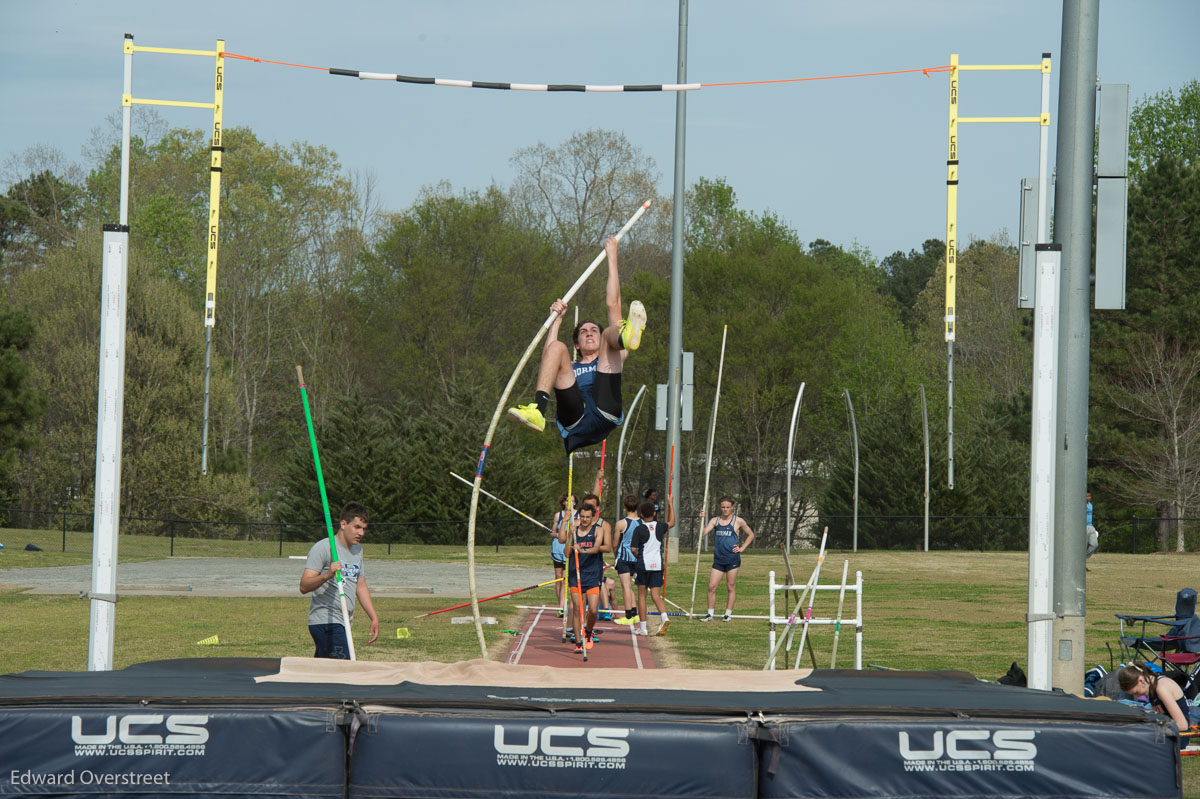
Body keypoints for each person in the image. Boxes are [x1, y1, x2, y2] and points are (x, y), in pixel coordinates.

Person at [507, 236, 647, 453]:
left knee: (613, 332)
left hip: (605, 410)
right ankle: (537, 411)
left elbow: (613, 304)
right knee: (556, 348)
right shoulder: (571, 366)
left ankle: (625, 338)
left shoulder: (609, 354)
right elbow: (549, 356)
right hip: (575, 416)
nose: (589, 334)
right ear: (578, 345)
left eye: (593, 331)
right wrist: (556, 320)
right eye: (583, 332)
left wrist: (612, 257)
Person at [299, 502, 380, 658]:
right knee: (344, 669)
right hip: (325, 620)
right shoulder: (323, 547)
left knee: (325, 673)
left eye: (364, 529)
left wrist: (374, 617)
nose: (361, 533)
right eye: (357, 527)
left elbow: (360, 586)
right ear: (343, 524)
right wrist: (327, 575)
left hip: (344, 622)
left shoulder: (358, 550)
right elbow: (304, 586)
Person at [561, 494, 612, 653]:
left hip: (592, 574)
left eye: (587, 517)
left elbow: (597, 548)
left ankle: (588, 631)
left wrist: (582, 549)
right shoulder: (574, 529)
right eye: (582, 516)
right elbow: (567, 553)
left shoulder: (599, 529)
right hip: (575, 574)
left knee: (594, 610)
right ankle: (578, 642)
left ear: (592, 517)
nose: (584, 520)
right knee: (577, 609)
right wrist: (570, 537)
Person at [698, 497, 755, 622]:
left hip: (732, 559)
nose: (725, 509)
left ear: (732, 507)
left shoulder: (738, 521)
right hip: (718, 559)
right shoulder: (715, 520)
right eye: (723, 507)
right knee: (712, 586)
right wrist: (701, 520)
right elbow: (702, 533)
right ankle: (710, 614)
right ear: (720, 507)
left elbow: (751, 534)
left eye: (728, 507)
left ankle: (728, 614)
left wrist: (742, 548)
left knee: (730, 587)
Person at [630, 497, 675, 637]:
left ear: (641, 515)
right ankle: (664, 616)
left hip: (643, 565)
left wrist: (639, 558)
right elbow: (672, 522)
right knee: (656, 595)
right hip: (657, 565)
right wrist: (670, 504)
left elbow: (633, 549)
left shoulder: (639, 529)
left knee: (642, 596)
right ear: (654, 514)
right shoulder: (660, 526)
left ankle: (643, 628)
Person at [1117, 663, 1190, 747]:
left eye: (1136, 692)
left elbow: (1182, 725)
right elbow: (1158, 718)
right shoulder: (1152, 687)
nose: (1138, 696)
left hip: (1179, 736)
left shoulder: (1162, 688)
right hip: (1166, 732)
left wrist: (1151, 729)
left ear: (1141, 680)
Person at [613, 494, 642, 625]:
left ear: (625, 507)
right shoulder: (642, 522)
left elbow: (615, 543)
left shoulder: (621, 523)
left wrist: (616, 556)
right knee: (629, 586)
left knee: (625, 586)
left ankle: (628, 615)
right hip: (637, 558)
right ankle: (635, 613)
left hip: (624, 558)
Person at [550, 493, 578, 615]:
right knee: (558, 577)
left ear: (575, 503)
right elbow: (553, 532)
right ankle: (560, 606)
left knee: (565, 579)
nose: (569, 503)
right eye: (567, 501)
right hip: (557, 547)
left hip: (569, 547)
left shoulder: (578, 515)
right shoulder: (558, 515)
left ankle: (564, 605)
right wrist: (557, 534)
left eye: (571, 501)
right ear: (563, 503)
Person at [1085, 491, 1099, 563]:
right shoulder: (1080, 505)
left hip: (1090, 527)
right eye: (1086, 496)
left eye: (1089, 496)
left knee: (1094, 544)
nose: (1088, 498)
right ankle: (1082, 564)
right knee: (1083, 547)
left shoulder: (1090, 505)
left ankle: (1083, 560)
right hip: (1083, 527)